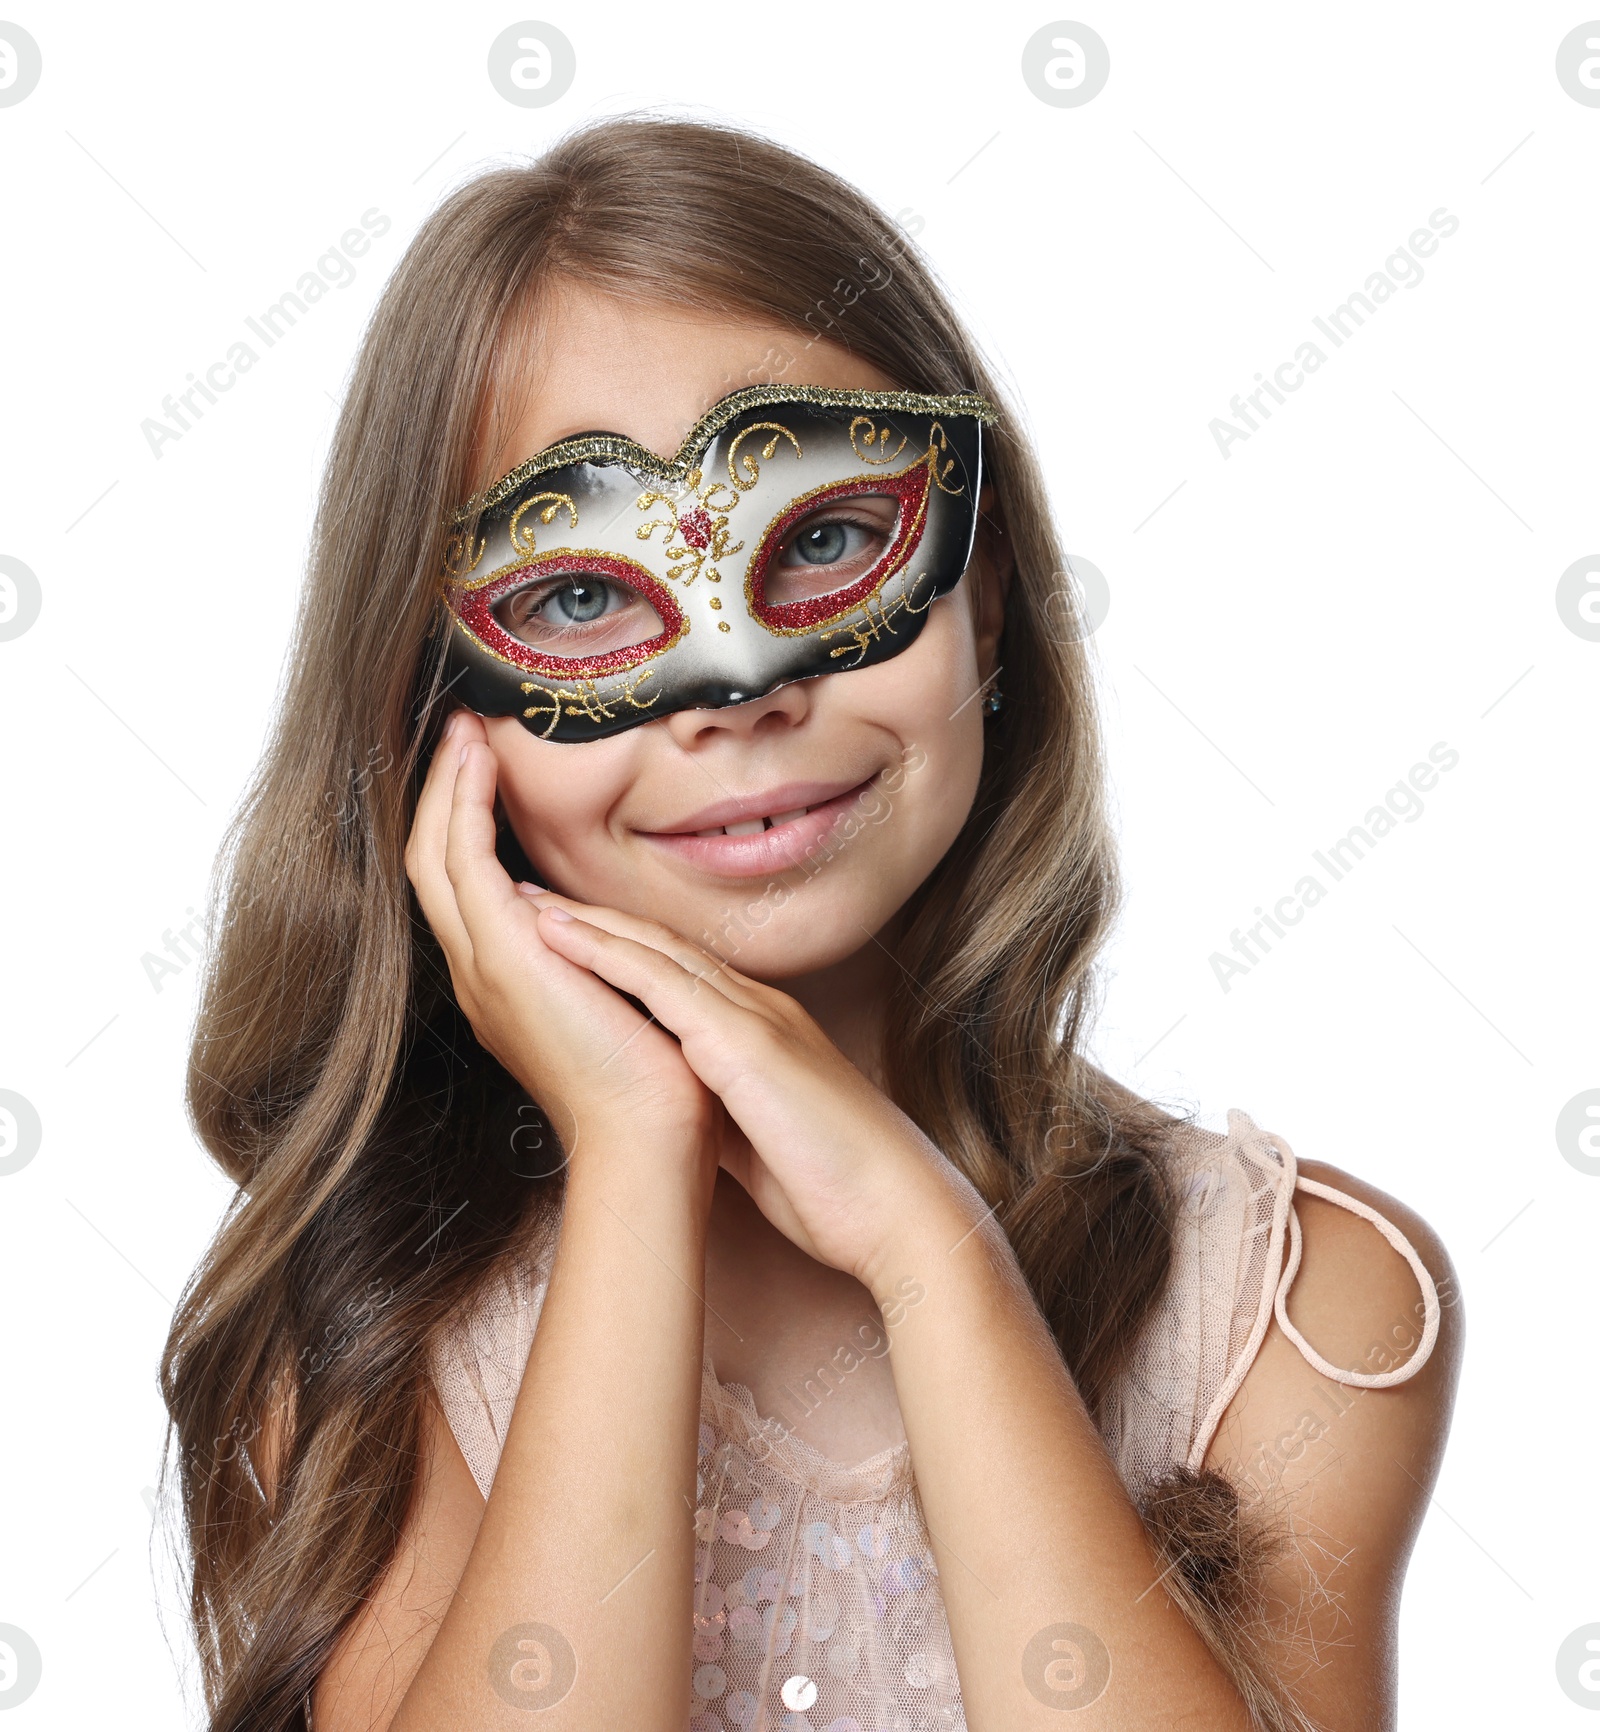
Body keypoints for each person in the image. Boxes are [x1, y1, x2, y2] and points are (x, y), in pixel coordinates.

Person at [160, 116, 1462, 1732]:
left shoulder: (1293, 1303)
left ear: (984, 587)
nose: (744, 689)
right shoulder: (370, 1338)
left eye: (831, 539)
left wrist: (934, 1258)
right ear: (435, 714)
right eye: (580, 596)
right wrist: (638, 1151)